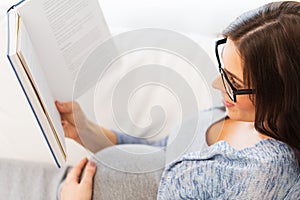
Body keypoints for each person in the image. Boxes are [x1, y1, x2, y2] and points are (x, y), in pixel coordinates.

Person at [56, 1, 300, 199]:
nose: (217, 84)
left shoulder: (262, 174)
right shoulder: (238, 112)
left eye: (233, 82)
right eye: (223, 71)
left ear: (281, 94)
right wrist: (85, 130)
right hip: (64, 183)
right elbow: (161, 152)